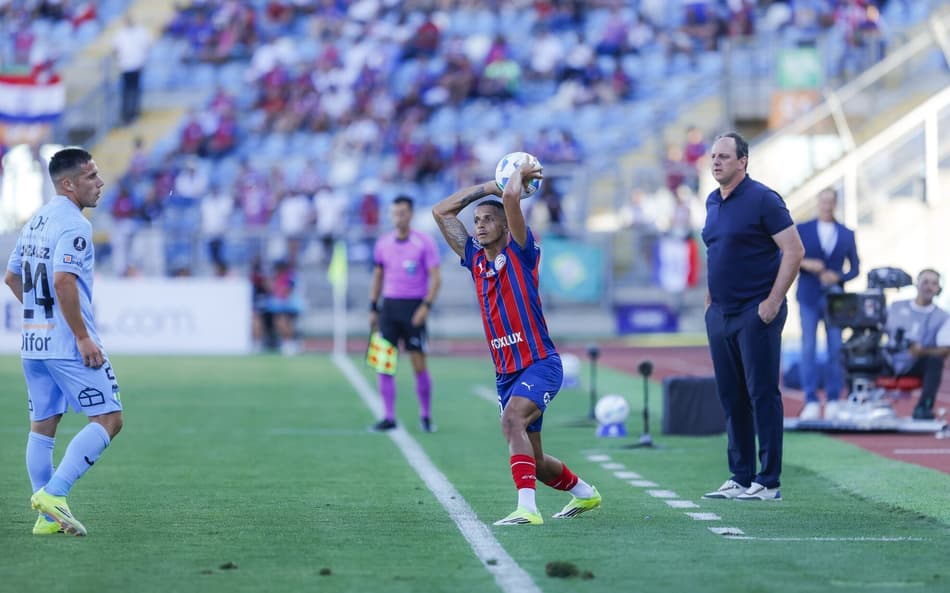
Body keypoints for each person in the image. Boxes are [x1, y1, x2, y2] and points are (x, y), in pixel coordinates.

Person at [431, 160, 601, 525]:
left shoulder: (523, 252)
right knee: (535, 462)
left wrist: (512, 180)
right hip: (505, 373)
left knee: (512, 423)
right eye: (476, 221)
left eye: (488, 220)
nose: (479, 225)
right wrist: (487, 187)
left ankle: (528, 509)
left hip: (539, 362)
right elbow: (441, 211)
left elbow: (510, 197)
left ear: (508, 227)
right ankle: (586, 495)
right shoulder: (474, 259)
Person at [4, 147, 124, 536]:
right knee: (108, 419)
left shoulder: (36, 219)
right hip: (68, 346)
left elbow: (11, 278)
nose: (100, 182)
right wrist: (82, 336)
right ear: (68, 184)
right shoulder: (75, 225)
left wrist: (44, 319)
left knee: (43, 427)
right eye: (90, 176)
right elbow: (62, 280)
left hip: (34, 344)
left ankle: (46, 516)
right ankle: (55, 494)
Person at [700, 132, 804, 502]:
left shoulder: (764, 199)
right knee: (732, 396)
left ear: (743, 161)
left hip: (756, 311)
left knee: (762, 395)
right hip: (722, 314)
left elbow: (794, 250)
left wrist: (774, 301)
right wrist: (711, 299)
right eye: (713, 156)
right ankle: (741, 476)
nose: (716, 162)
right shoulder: (713, 201)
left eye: (724, 157)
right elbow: (717, 252)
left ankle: (769, 481)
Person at [368, 196, 442, 432]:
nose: (398, 217)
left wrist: (425, 307)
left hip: (414, 308)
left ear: (410, 214)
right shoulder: (383, 243)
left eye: (402, 212)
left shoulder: (424, 242)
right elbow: (378, 276)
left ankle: (426, 416)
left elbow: (436, 278)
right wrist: (373, 307)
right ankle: (388, 416)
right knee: (384, 364)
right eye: (395, 213)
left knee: (418, 364)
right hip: (389, 308)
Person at [796, 188, 860, 421]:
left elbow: (855, 268)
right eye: (823, 201)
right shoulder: (802, 229)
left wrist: (838, 276)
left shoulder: (846, 233)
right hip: (809, 296)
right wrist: (806, 264)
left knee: (836, 349)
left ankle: (833, 399)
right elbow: (787, 256)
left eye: (831, 201)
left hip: (836, 300)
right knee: (808, 348)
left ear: (836, 204)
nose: (827, 205)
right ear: (818, 202)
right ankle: (811, 400)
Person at [883, 269, 949, 420]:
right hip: (889, 361)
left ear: (939, 288)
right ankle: (856, 401)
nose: (929, 287)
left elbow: (945, 349)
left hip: (916, 365)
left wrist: (921, 351)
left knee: (935, 361)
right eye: (925, 282)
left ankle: (924, 407)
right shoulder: (895, 307)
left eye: (934, 283)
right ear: (917, 284)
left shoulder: (943, 317)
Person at [112, 15, 152, 125]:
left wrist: (143, 59)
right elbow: (115, 49)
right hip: (125, 66)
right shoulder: (121, 33)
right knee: (126, 92)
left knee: (134, 91)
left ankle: (134, 113)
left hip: (137, 65)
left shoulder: (141, 31)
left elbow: (147, 46)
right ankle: (126, 114)